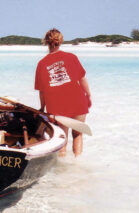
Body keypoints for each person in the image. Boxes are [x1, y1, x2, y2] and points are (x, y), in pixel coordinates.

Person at [34, 28, 91, 157]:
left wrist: (42, 107)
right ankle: (76, 164)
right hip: (78, 102)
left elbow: (42, 91)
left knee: (62, 139)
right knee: (77, 134)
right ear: (60, 41)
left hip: (57, 105)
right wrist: (88, 95)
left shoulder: (42, 64)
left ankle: (61, 170)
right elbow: (82, 79)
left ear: (46, 42)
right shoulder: (71, 57)